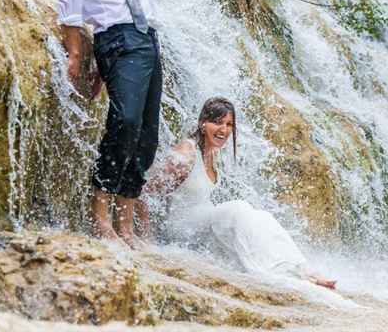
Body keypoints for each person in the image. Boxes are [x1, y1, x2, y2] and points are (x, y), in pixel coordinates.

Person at [48, 0, 162, 248]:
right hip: (120, 38)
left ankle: (125, 223)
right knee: (125, 122)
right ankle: (100, 217)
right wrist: (77, 54)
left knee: (146, 134)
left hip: (144, 39)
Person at [136, 97, 336, 289]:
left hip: (201, 227)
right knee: (238, 209)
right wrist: (148, 242)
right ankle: (284, 272)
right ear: (203, 124)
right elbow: (147, 193)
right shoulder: (187, 152)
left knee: (262, 217)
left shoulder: (213, 153)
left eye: (229, 124)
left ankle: (301, 270)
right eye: (217, 122)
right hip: (181, 228)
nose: (224, 130)